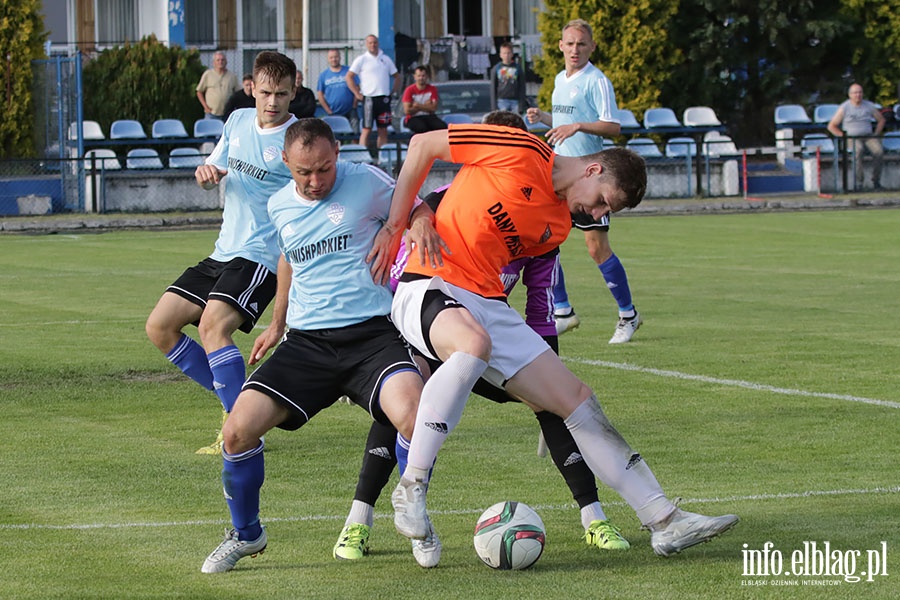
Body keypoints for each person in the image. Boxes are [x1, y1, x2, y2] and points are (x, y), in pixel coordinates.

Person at [376, 122, 739, 564]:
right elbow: (421, 145)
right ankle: (411, 489)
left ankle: (664, 520)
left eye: (609, 211)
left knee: (578, 400)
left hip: (486, 301)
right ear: (594, 169)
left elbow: (532, 302)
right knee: (473, 345)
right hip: (428, 280)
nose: (597, 213)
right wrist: (402, 224)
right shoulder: (523, 148)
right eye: (604, 200)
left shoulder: (557, 225)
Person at [333, 111, 629, 565]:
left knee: (552, 402)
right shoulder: (459, 193)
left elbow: (539, 305)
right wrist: (417, 220)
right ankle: (359, 520)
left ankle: (594, 518)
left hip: (485, 328)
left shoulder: (544, 223)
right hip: (430, 316)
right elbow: (417, 200)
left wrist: (548, 366)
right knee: (406, 403)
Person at [199, 118, 442, 574]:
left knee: (415, 414)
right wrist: (277, 323)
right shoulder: (278, 205)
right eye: (303, 173)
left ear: (338, 155)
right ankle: (246, 535)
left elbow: (414, 203)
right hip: (307, 344)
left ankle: (415, 515)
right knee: (237, 431)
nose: (315, 182)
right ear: (286, 163)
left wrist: (421, 221)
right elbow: (287, 257)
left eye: (325, 169)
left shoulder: (365, 180)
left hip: (373, 335)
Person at [145, 51, 299, 455]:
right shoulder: (237, 121)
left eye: (281, 94)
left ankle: (242, 431)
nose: (272, 102)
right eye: (265, 92)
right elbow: (213, 169)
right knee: (160, 327)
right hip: (224, 250)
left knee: (213, 326)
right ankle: (243, 407)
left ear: (293, 91)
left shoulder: (298, 139)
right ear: (251, 88)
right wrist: (205, 173)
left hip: (263, 257)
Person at [527, 19, 641, 344]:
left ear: (591, 47)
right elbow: (565, 122)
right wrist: (545, 118)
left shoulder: (597, 80)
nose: (575, 49)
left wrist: (577, 126)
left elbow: (612, 126)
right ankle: (562, 310)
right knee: (544, 241)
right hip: (563, 182)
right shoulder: (560, 79)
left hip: (591, 182)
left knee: (596, 249)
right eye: (570, 43)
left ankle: (628, 315)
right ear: (560, 46)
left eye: (581, 44)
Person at [827, 82, 885, 190]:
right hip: (851, 137)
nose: (857, 95)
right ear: (850, 95)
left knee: (879, 151)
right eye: (855, 93)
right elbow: (831, 126)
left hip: (868, 136)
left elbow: (881, 120)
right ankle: (859, 182)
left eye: (860, 92)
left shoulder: (869, 106)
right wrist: (843, 136)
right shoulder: (844, 107)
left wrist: (876, 134)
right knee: (858, 151)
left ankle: (876, 181)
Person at [347, 34, 401, 149]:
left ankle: (383, 157)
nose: (373, 45)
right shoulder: (361, 59)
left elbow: (397, 76)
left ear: (378, 43)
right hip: (369, 99)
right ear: (367, 44)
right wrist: (357, 93)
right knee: (367, 128)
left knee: (383, 129)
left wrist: (392, 92)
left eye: (375, 42)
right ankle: (362, 155)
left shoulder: (385, 59)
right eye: (370, 43)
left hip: (384, 99)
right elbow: (349, 77)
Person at [317, 48, 360, 133]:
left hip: (350, 110)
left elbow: (357, 87)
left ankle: (356, 146)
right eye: (331, 57)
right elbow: (320, 94)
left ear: (340, 57)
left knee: (356, 133)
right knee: (334, 137)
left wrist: (354, 105)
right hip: (333, 111)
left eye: (336, 57)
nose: (334, 59)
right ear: (328, 59)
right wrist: (328, 110)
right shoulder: (323, 75)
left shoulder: (349, 71)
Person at [401, 66, 448, 134]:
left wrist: (417, 106)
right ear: (415, 77)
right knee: (422, 128)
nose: (421, 78)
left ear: (427, 77)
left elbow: (433, 108)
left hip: (429, 116)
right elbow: (407, 111)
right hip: (413, 118)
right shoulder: (409, 90)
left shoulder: (432, 89)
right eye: (419, 76)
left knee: (442, 126)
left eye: (423, 76)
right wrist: (426, 106)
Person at [196, 51, 240, 121]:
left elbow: (238, 93)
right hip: (211, 114)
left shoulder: (232, 76)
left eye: (222, 60)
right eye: (218, 60)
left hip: (227, 114)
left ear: (226, 62)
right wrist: (205, 107)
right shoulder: (208, 74)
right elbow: (199, 92)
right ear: (214, 62)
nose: (220, 62)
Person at [491, 42, 526, 114]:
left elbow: (522, 87)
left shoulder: (517, 68)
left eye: (508, 53)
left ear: (512, 54)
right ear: (500, 54)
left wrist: (521, 105)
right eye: (504, 53)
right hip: (501, 100)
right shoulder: (496, 68)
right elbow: (493, 87)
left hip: (515, 101)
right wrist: (494, 106)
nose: (506, 55)